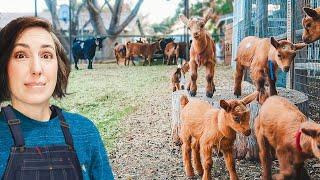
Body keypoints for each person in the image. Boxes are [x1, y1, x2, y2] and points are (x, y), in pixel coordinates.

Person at [0, 17, 114, 180]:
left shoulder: (85, 131)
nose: (37, 69)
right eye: (21, 55)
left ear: (58, 66)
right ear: (3, 66)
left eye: (46, 55)